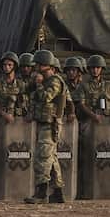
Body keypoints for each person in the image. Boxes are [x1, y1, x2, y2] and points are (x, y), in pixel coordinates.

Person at [25, 50, 69, 204]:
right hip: (44, 123)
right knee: (52, 159)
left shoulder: (54, 81)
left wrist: (38, 84)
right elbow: (28, 92)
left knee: (42, 159)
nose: (35, 67)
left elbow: (46, 97)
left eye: (37, 64)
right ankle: (57, 192)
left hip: (50, 125)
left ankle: (41, 193)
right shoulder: (45, 80)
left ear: (44, 65)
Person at [74, 55, 110, 124]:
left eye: (98, 67)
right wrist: (93, 116)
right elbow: (81, 105)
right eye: (93, 68)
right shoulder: (83, 85)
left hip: (107, 120)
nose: (95, 70)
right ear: (89, 69)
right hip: (89, 121)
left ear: (102, 69)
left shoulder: (109, 85)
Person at [0, 51, 29, 125]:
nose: (6, 67)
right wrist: (4, 115)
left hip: (18, 120)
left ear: (15, 66)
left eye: (10, 65)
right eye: (4, 65)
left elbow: (26, 104)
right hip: (1, 120)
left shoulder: (21, 84)